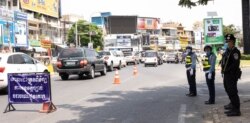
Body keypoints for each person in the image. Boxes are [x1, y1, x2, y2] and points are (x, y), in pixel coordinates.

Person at [221, 34, 242, 116]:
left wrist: (227, 70)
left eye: (228, 41)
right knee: (228, 89)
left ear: (232, 42)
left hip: (231, 75)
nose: (226, 43)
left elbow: (235, 64)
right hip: (226, 74)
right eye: (226, 41)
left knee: (233, 91)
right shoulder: (227, 51)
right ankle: (232, 104)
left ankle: (236, 110)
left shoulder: (235, 52)